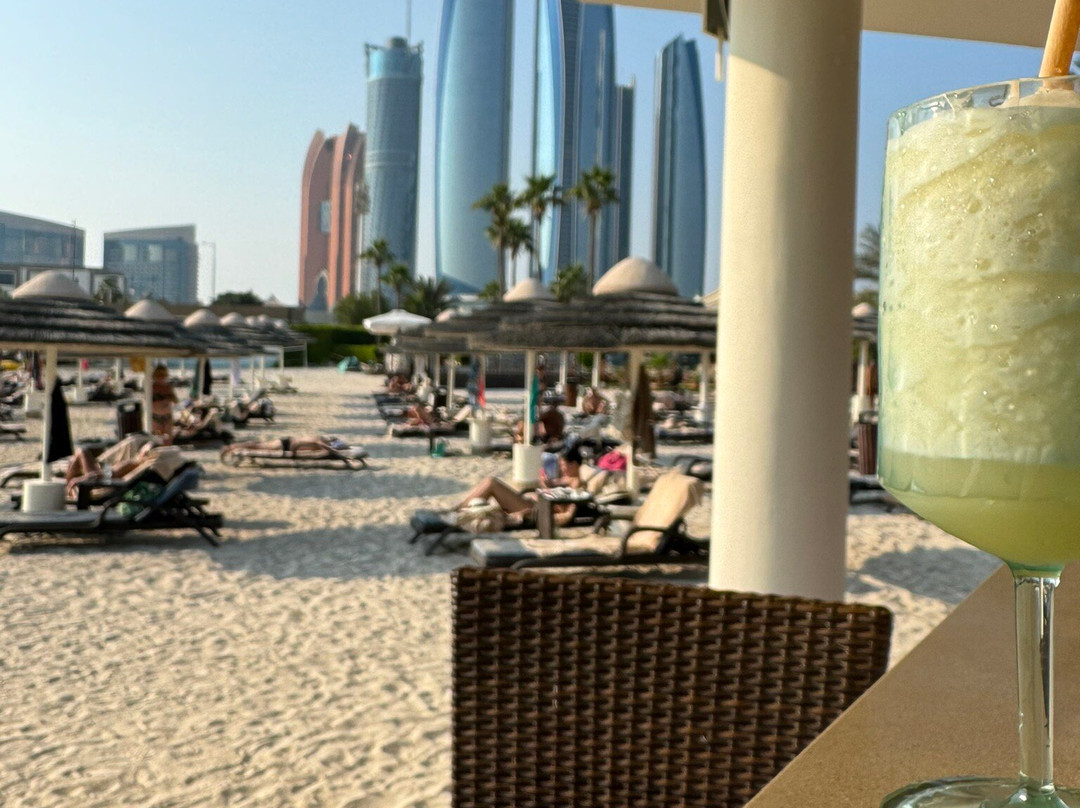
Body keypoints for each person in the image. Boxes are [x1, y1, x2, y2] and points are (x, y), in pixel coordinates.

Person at [452, 446, 584, 528]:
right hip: (531, 503)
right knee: (490, 483)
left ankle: (456, 512)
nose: (562, 469)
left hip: (532, 509)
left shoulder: (575, 482)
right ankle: (457, 511)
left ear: (574, 464)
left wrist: (545, 489)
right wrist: (545, 485)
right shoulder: (566, 479)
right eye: (560, 465)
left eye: (564, 465)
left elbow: (564, 511)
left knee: (492, 483)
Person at [221, 434, 347, 459]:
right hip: (285, 445)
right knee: (258, 446)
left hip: (286, 442)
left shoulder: (319, 438)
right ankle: (231, 447)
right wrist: (333, 450)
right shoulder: (320, 441)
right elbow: (317, 444)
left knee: (258, 445)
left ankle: (233, 446)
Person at [150, 364, 178, 438]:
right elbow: (148, 402)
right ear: (154, 376)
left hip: (167, 417)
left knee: (168, 440)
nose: (161, 377)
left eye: (163, 375)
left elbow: (176, 401)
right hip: (155, 417)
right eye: (159, 375)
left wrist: (169, 397)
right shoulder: (151, 388)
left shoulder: (168, 388)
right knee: (157, 440)